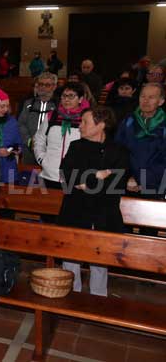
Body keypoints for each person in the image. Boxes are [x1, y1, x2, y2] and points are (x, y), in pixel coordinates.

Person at [58, 106, 129, 296]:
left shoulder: (118, 151)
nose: (80, 126)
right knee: (70, 258)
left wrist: (85, 183)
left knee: (100, 260)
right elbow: (66, 177)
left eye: (85, 122)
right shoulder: (76, 147)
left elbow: (116, 185)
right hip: (74, 211)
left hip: (103, 213)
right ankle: (70, 295)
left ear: (101, 125)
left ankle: (98, 298)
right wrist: (97, 176)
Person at [115, 83, 166, 200]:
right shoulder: (128, 121)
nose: (145, 100)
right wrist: (127, 177)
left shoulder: (164, 125)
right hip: (127, 182)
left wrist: (144, 181)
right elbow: (118, 151)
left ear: (161, 101)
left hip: (156, 184)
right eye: (143, 96)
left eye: (151, 97)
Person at [33, 82, 88, 189]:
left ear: (80, 99)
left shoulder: (87, 119)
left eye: (71, 96)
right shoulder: (51, 116)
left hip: (75, 177)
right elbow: (39, 139)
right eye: (64, 96)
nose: (66, 99)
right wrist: (42, 159)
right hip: (49, 174)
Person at [18, 72, 57, 165]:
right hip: (29, 149)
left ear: (54, 87)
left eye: (47, 85)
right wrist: (29, 141)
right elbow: (21, 124)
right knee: (27, 173)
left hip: (50, 151)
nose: (43, 87)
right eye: (41, 84)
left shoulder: (58, 105)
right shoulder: (28, 103)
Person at [0, 84, 22, 183]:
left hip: (9, 166)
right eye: (2, 106)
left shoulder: (12, 122)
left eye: (7, 106)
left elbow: (18, 142)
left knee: (10, 190)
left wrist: (18, 149)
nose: (5, 109)